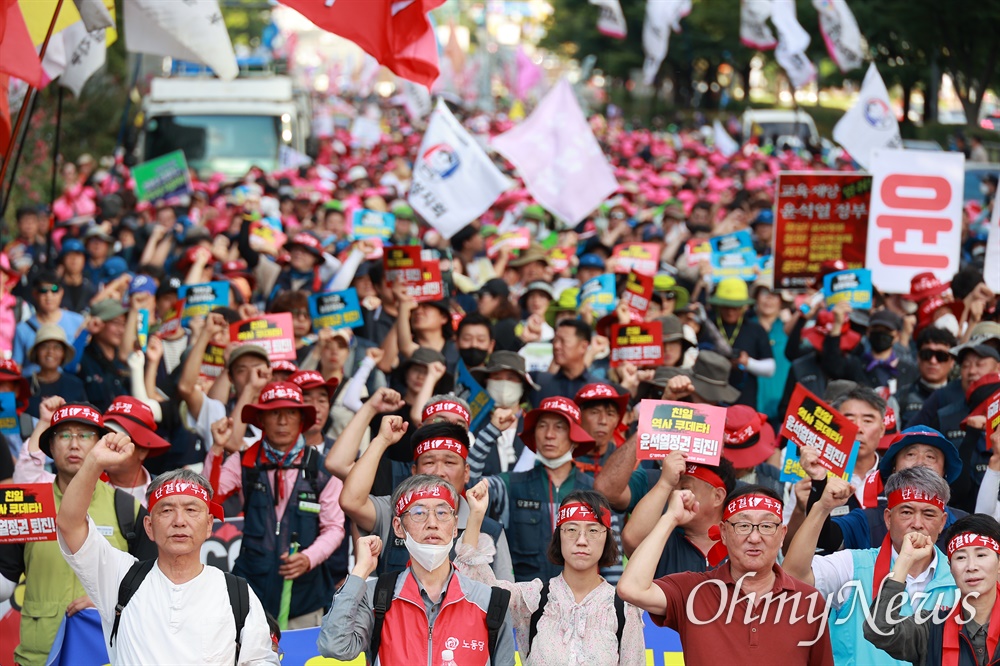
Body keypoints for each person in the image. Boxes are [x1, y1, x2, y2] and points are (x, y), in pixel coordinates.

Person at [56, 442, 279, 665]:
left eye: (191, 510)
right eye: (167, 510)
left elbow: (261, 660)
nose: (179, 521)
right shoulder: (120, 578)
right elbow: (71, 525)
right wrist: (94, 462)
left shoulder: (237, 593)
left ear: (209, 524)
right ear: (149, 526)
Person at [0, 402, 155, 666]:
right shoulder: (28, 504)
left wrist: (114, 599)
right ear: (50, 446)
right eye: (64, 435)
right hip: (37, 657)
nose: (74, 444)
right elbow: (4, 583)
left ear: (100, 444)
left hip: (103, 655)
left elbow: (154, 584)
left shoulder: (127, 507)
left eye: (85, 435)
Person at [617, 485, 834, 665]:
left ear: (781, 534)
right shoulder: (694, 591)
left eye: (767, 526)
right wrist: (670, 518)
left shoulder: (808, 600)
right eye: (743, 525)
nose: (755, 537)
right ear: (723, 533)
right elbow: (631, 588)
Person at [317, 475, 516, 666]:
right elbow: (334, 646)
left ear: (455, 526)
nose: (432, 523)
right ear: (398, 527)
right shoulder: (376, 597)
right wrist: (360, 572)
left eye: (442, 513)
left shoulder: (490, 602)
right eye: (419, 513)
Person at [455, 480, 645, 665]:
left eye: (593, 530)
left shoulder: (623, 609)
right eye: (571, 529)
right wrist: (476, 516)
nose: (581, 540)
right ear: (558, 536)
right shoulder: (533, 599)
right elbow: (474, 589)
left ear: (607, 538)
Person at [783, 466, 959, 665]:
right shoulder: (853, 566)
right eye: (907, 512)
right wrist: (821, 508)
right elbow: (792, 578)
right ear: (887, 519)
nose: (917, 523)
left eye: (929, 514)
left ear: (943, 522)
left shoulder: (961, 575)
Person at [206, 381, 345, 627]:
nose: (282, 421)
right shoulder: (243, 461)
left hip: (306, 596)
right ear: (261, 420)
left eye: (291, 413)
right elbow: (207, 499)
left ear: (301, 419)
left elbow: (334, 528)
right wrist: (217, 448)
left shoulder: (323, 468)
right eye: (274, 413)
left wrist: (308, 558)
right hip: (251, 592)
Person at [338, 414, 514, 579]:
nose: (439, 472)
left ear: (466, 472)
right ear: (414, 472)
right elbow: (351, 501)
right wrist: (382, 440)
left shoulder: (490, 531)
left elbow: (506, 600)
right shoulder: (393, 511)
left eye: (449, 462)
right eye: (429, 462)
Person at [469, 396, 598, 582]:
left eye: (559, 427)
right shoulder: (511, 485)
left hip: (578, 600)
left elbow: (610, 556)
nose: (549, 435)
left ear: (575, 438)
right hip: (525, 602)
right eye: (542, 426)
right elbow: (469, 481)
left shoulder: (592, 490)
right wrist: (492, 430)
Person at [864, 514, 1000, 665]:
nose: (971, 567)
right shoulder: (932, 628)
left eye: (981, 555)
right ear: (950, 568)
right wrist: (905, 560)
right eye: (961, 558)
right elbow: (879, 630)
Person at [705, 277, 775, 408]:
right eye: (726, 306)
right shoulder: (707, 327)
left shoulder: (755, 329)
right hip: (711, 399)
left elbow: (770, 368)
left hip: (744, 400)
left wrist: (747, 362)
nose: (731, 312)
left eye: (736, 307)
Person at [12, 270, 85, 373]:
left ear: (62, 293)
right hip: (33, 385)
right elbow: (17, 366)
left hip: (67, 384)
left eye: (54, 290)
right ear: (34, 294)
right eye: (43, 290)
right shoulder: (22, 329)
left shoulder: (79, 322)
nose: (49, 295)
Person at [78, 299, 131, 412]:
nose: (121, 330)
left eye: (123, 324)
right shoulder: (83, 358)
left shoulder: (124, 359)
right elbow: (68, 367)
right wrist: (86, 331)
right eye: (116, 323)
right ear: (99, 324)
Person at [26, 323, 86, 418]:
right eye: (44, 347)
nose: (50, 352)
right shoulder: (23, 385)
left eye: (57, 347)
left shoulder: (75, 385)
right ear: (36, 352)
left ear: (63, 354)